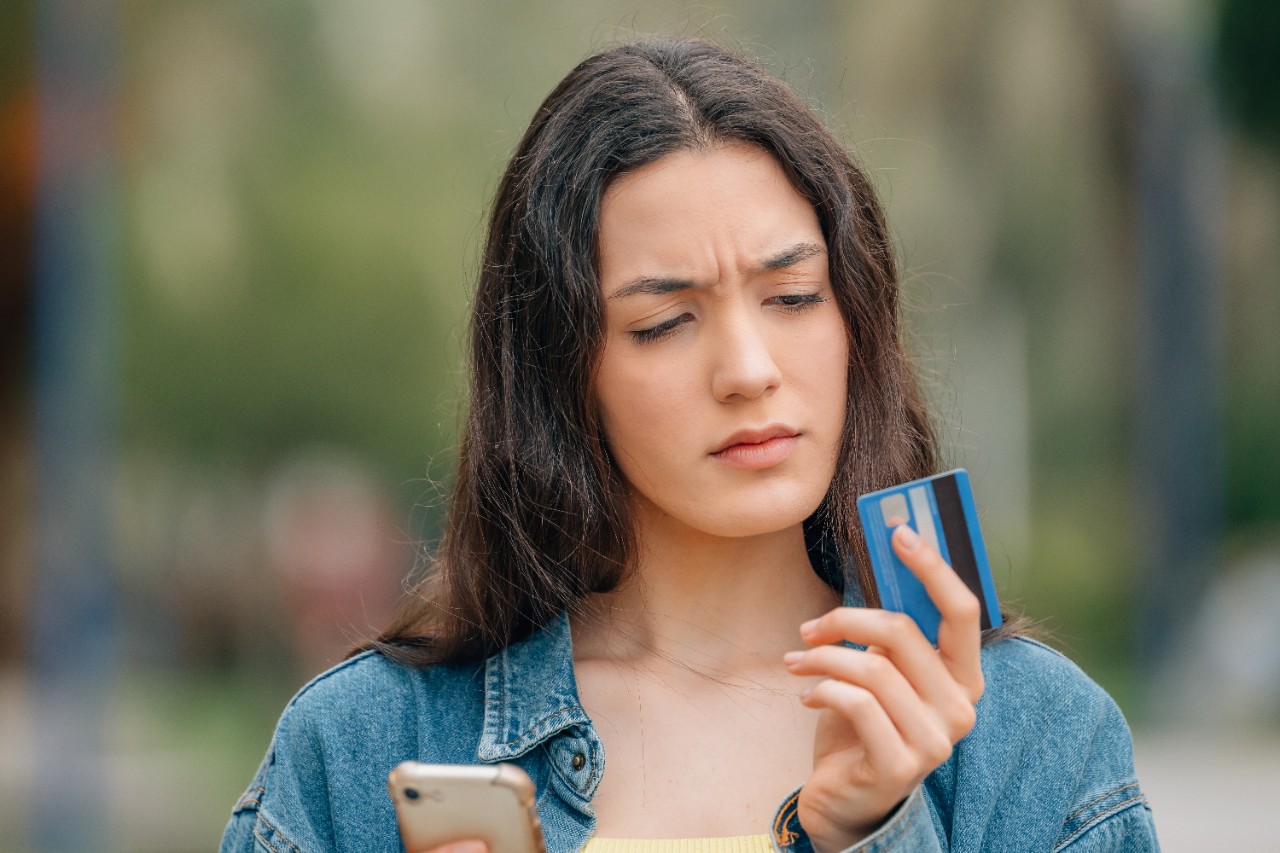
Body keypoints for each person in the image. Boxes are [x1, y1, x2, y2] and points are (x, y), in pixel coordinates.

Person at [220, 38, 1159, 853]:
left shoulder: (1036, 741)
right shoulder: (364, 745)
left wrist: (873, 832)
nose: (748, 369)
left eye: (793, 298)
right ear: (560, 370)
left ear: (856, 321)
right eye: (666, 322)